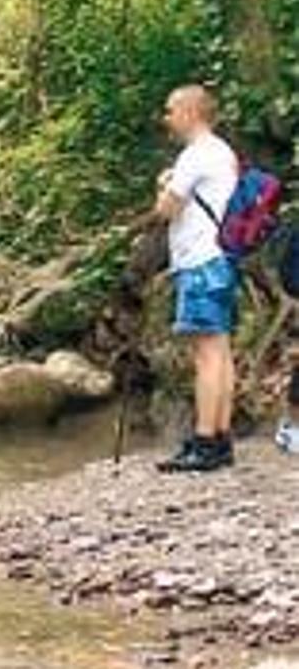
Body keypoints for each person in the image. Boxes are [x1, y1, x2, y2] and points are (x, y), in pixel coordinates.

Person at [153, 85, 239, 473]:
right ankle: (219, 437)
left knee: (205, 354)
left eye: (171, 110)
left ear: (190, 112)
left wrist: (163, 184)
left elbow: (166, 209)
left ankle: (205, 442)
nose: (166, 118)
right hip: (222, 257)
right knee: (219, 349)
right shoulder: (223, 152)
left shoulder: (195, 155)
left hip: (200, 260)